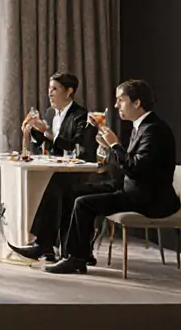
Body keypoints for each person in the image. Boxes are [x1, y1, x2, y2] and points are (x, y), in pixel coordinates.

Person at [47, 80, 181, 274]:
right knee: (72, 191)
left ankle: (76, 259)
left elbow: (135, 169)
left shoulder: (154, 130)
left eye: (121, 100)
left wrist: (116, 146)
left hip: (149, 199)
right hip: (134, 189)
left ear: (137, 103)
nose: (116, 105)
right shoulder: (142, 126)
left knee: (83, 203)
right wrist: (110, 147)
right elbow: (130, 166)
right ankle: (77, 253)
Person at [10, 73, 100, 261]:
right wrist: (33, 132)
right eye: (49, 89)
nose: (49, 93)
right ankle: (43, 245)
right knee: (48, 184)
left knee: (56, 187)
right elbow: (51, 147)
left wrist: (49, 133)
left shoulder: (80, 115)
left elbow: (77, 146)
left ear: (69, 92)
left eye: (54, 89)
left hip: (79, 172)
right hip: (59, 169)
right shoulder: (51, 113)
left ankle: (42, 245)